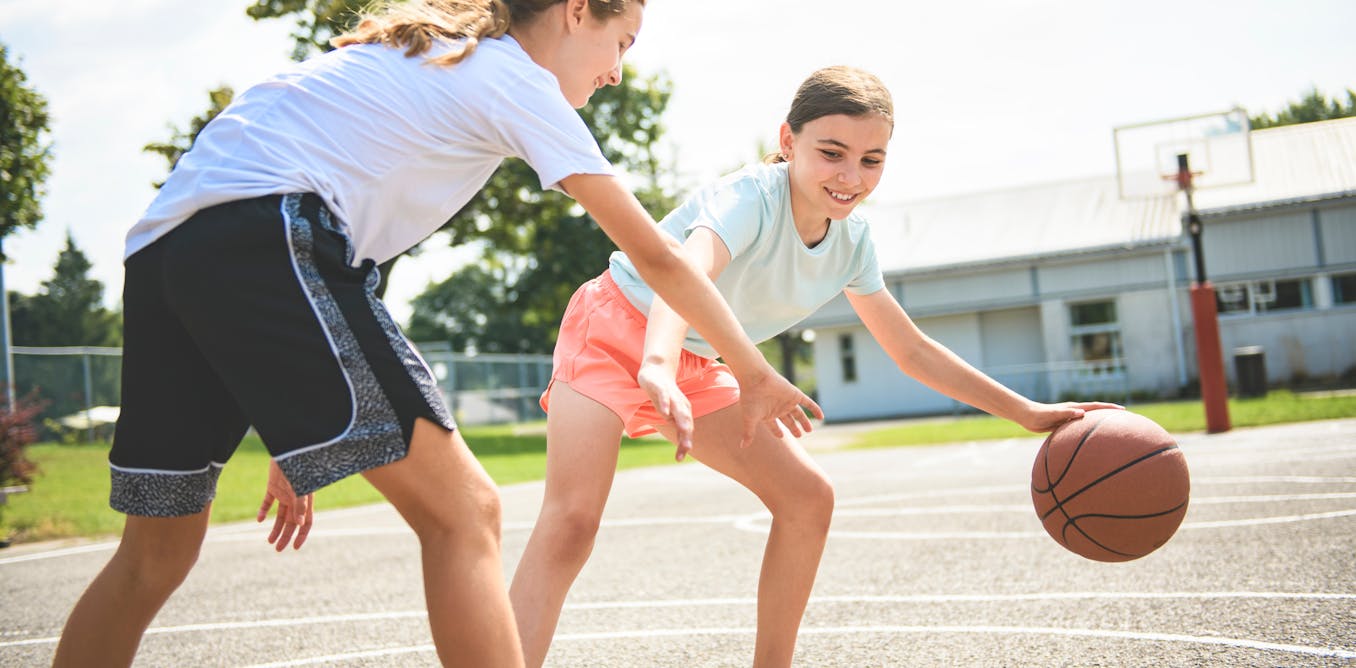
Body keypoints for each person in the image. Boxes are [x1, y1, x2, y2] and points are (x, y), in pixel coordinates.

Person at [51, 2, 819, 666]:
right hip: (268, 232)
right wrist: (753, 372)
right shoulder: (512, 77)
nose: (618, 71)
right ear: (577, 9)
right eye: (623, 43)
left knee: (153, 555)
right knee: (466, 513)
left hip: (166, 250)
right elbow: (656, 254)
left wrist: (291, 415)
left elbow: (307, 271)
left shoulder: (430, 57)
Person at [508, 65, 1122, 667]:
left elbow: (910, 350)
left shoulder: (853, 245)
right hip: (615, 328)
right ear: (787, 141)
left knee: (807, 499)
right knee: (573, 524)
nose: (851, 175)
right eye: (832, 152)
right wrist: (658, 361)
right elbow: (682, 272)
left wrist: (1025, 412)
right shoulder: (749, 197)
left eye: (871, 160)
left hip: (697, 358)